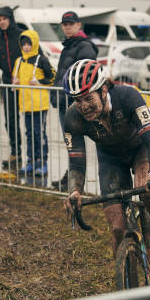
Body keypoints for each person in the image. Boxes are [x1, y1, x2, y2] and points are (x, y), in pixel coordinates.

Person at [62, 59, 150, 266]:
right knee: (118, 227)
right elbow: (76, 161)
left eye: (87, 98)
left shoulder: (128, 96)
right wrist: (74, 190)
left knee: (146, 190)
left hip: (140, 150)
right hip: (110, 159)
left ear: (103, 90)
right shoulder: (72, 117)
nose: (83, 106)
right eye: (77, 100)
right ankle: (128, 276)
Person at [51, 11, 98, 190]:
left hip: (75, 103)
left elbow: (85, 75)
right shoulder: (69, 46)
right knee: (71, 143)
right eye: (65, 24)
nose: (68, 26)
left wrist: (77, 98)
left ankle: (75, 181)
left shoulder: (83, 46)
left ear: (78, 25)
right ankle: (71, 177)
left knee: (75, 143)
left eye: (71, 23)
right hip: (65, 101)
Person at [11, 29, 56, 176]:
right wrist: (15, 82)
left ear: (34, 44)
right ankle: (31, 161)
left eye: (28, 44)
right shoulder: (18, 61)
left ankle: (42, 162)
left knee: (39, 133)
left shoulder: (41, 59)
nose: (26, 47)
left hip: (39, 104)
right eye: (23, 44)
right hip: (25, 104)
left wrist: (40, 82)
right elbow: (14, 80)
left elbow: (52, 77)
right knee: (29, 133)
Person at [0, 6, 23, 170]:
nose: (2, 22)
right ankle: (15, 152)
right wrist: (8, 74)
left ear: (10, 19)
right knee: (10, 120)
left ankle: (36, 157)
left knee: (33, 122)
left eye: (4, 18)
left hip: (24, 84)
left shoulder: (21, 35)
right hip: (7, 83)